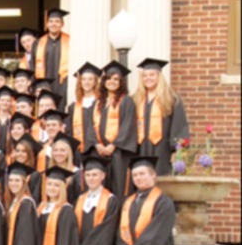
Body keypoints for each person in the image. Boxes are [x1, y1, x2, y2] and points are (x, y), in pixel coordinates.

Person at [133, 58, 190, 176]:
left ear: (159, 76)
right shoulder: (136, 99)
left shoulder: (171, 99)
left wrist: (177, 150)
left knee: (161, 179)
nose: (148, 78)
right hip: (141, 148)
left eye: (152, 75)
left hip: (163, 149)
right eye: (145, 75)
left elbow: (179, 126)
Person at [91, 61, 137, 199]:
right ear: (104, 81)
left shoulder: (126, 101)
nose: (112, 81)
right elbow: (90, 126)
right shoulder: (98, 102)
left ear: (121, 82)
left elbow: (128, 125)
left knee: (119, 187)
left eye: (116, 79)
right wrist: (96, 144)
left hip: (119, 154)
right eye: (109, 78)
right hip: (100, 153)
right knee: (102, 187)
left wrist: (114, 145)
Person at [33, 8, 70, 110]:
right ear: (47, 24)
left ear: (62, 24)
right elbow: (32, 66)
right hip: (45, 83)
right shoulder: (38, 43)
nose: (54, 24)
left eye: (57, 21)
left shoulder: (70, 42)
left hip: (63, 83)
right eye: (51, 21)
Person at [67, 62, 101, 157]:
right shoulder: (73, 107)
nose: (87, 82)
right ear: (80, 82)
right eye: (84, 79)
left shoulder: (101, 103)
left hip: (99, 148)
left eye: (90, 79)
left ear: (95, 82)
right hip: (80, 150)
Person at [50, 132, 84, 205]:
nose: (58, 153)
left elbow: (79, 200)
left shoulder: (77, 173)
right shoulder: (50, 172)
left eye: (62, 150)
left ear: (69, 153)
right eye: (55, 150)